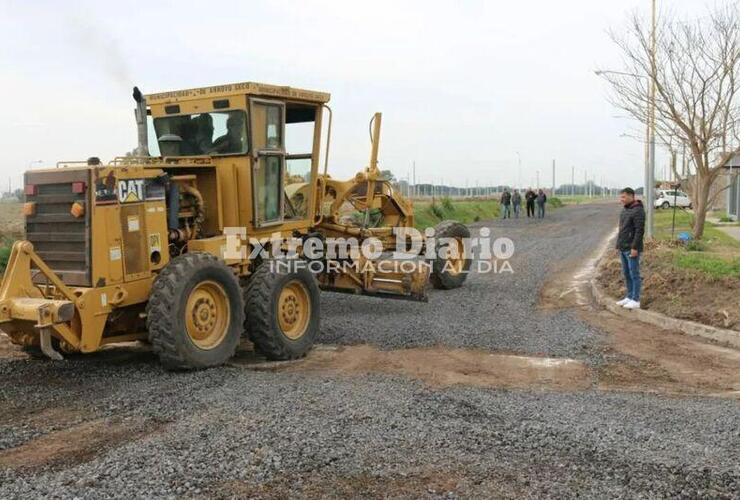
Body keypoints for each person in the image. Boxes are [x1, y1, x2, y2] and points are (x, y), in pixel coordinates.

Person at [615, 187, 645, 310]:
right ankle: (629, 296)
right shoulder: (625, 210)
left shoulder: (638, 210)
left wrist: (634, 247)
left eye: (624, 197)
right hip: (623, 247)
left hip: (631, 248)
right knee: (626, 273)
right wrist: (618, 245)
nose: (621, 199)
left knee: (634, 274)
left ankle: (636, 299)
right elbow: (622, 229)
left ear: (631, 196)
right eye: (621, 197)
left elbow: (639, 231)